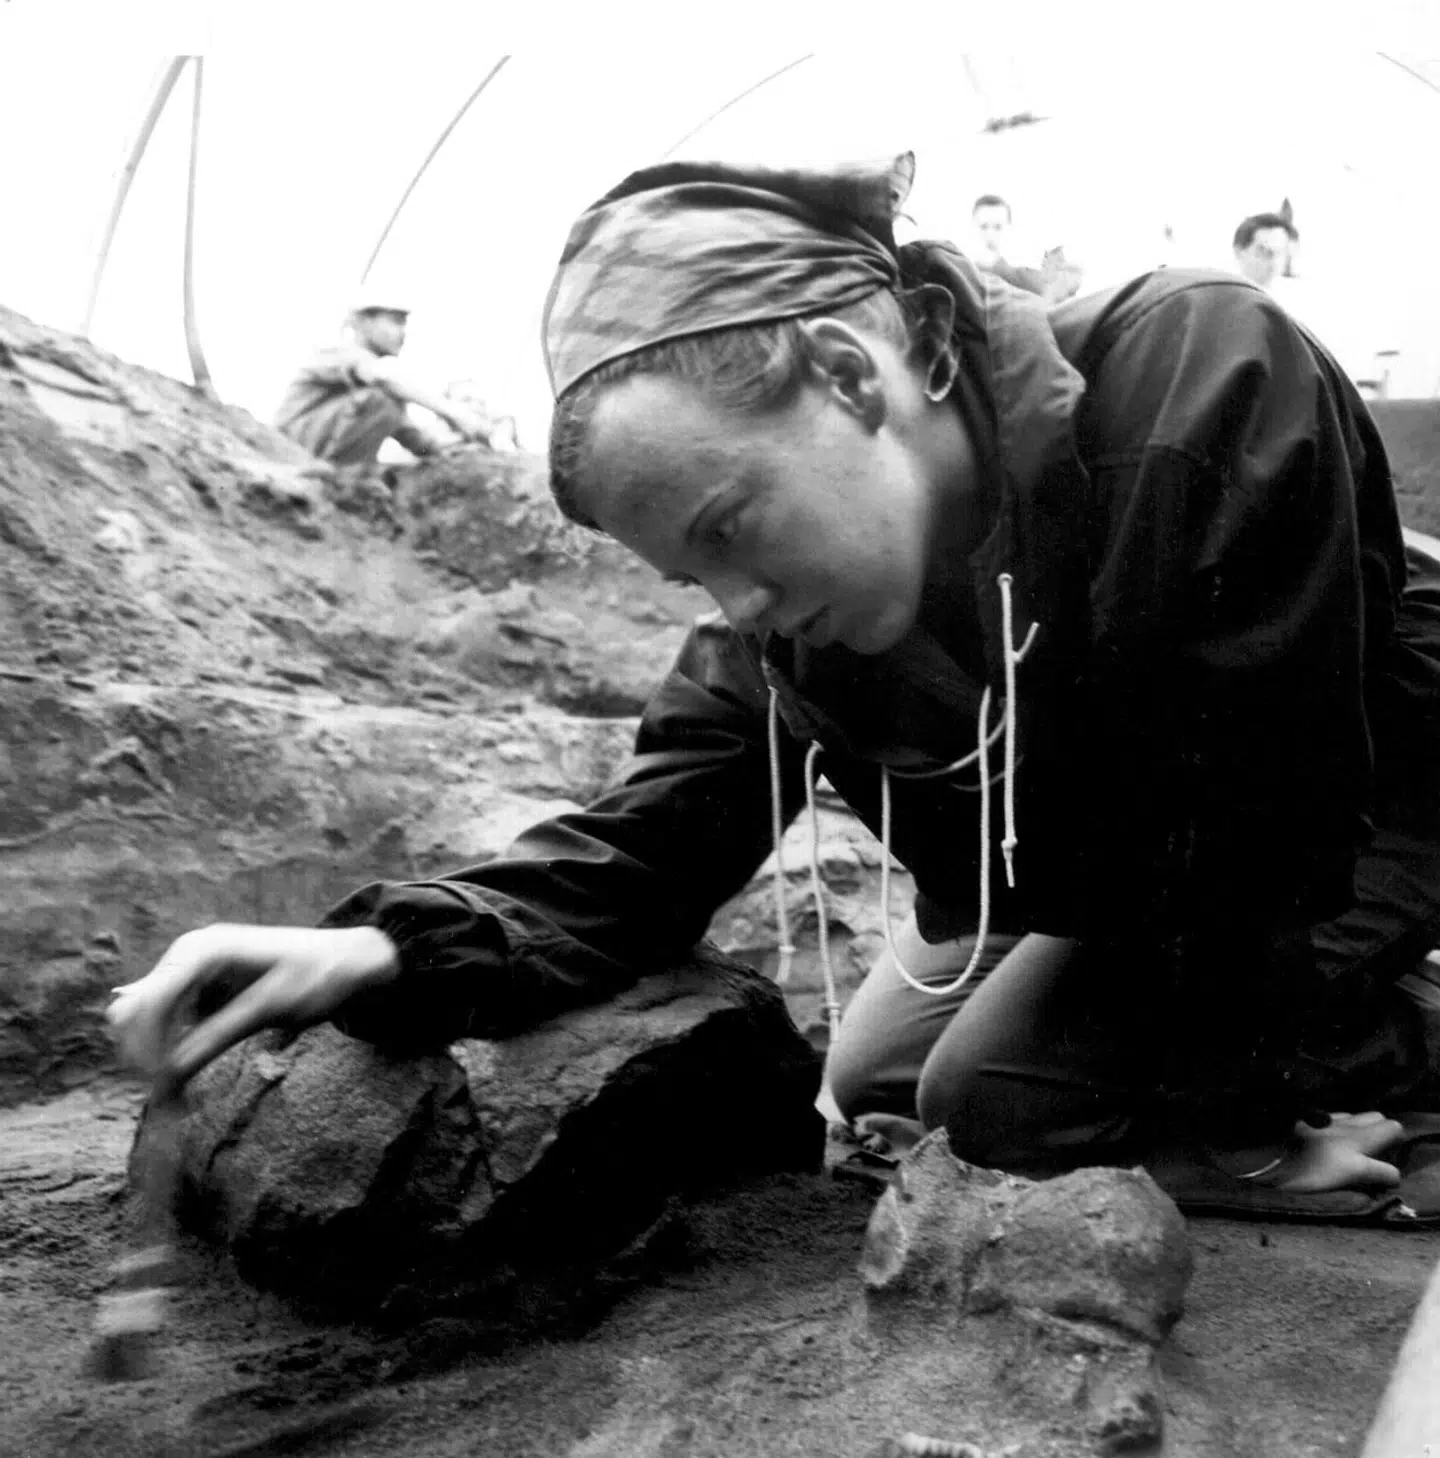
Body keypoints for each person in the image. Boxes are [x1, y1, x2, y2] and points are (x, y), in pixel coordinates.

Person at [111, 153, 1440, 1202]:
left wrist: (1242, 1117)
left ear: (852, 374)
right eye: (693, 578)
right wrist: (382, 945)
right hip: (1110, 858)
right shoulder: (800, 610)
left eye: (730, 527)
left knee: (998, 1101)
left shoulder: (1196, 377)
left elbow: (1261, 836)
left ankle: (1400, 1019)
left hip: (1359, 808)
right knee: (878, 1078)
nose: (739, 605)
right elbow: (659, 830)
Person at [273, 290, 491, 468]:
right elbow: (383, 379)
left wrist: (460, 449)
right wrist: (455, 413)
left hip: (314, 452)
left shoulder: (378, 398)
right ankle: (337, 479)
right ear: (363, 322)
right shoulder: (338, 352)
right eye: (395, 322)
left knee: (386, 402)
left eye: (404, 324)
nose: (403, 333)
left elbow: (416, 441)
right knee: (382, 400)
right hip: (287, 453)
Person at [970, 193, 1081, 306]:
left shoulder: (1023, 278)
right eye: (983, 227)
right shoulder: (962, 275)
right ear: (972, 227)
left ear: (1009, 227)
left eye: (998, 227)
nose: (990, 234)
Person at [1231, 211, 1298, 291]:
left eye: (1280, 253)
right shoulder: (1220, 293)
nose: (1273, 262)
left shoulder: (1296, 296)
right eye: (1265, 252)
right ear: (1238, 252)